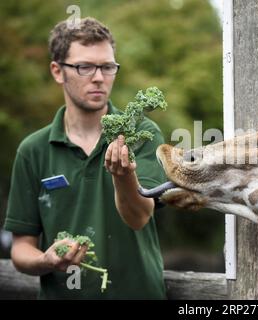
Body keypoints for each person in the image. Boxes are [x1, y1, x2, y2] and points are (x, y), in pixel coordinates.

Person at [3, 17, 166, 299]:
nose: (99, 77)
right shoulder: (33, 150)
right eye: (84, 67)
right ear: (57, 71)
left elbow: (139, 217)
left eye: (107, 67)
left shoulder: (141, 133)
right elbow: (21, 249)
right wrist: (47, 260)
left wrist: (123, 176)